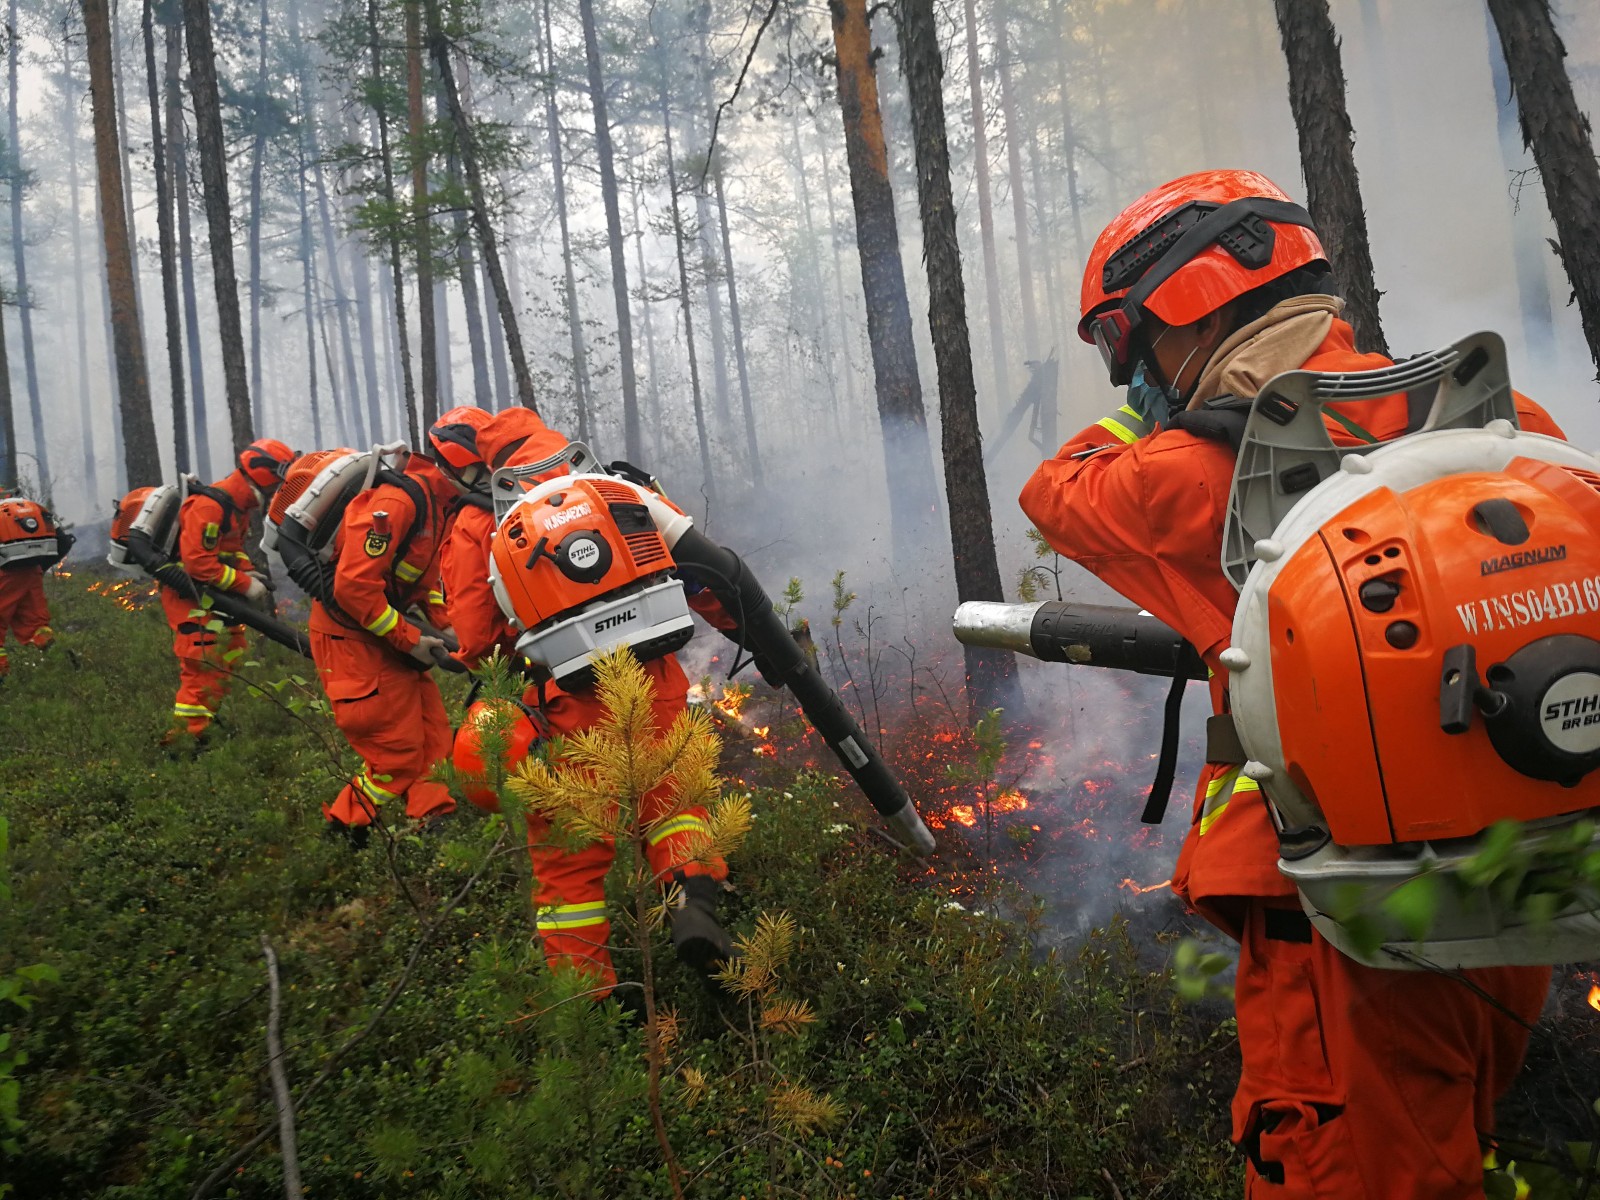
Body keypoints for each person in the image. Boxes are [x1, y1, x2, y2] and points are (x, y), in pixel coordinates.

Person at [1019, 169, 1560, 1199]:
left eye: (1133, 349)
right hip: (1511, 886)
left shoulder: (1180, 477)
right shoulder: (1501, 418)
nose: (1137, 376)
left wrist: (1157, 420)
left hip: (1339, 923)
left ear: (1185, 316)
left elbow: (1055, 489)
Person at [452, 408, 733, 996]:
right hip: (651, 681)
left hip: (560, 704)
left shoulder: (478, 522)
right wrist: (742, 627)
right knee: (674, 803)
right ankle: (693, 906)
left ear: (487, 462)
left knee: (568, 861)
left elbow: (477, 640)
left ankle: (590, 1003)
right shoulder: (612, 482)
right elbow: (697, 567)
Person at [311, 446, 459, 840]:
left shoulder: (443, 504)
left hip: (385, 634)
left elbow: (421, 582)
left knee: (433, 737)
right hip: (353, 639)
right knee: (396, 754)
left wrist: (448, 628)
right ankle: (344, 826)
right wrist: (409, 640)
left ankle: (431, 818)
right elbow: (353, 588)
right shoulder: (399, 502)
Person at [159, 439, 295, 743]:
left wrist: (247, 571)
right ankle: (186, 741)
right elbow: (198, 563)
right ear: (264, 476)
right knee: (203, 663)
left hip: (210, 596)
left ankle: (208, 722)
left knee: (230, 653)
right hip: (189, 598)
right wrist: (244, 584)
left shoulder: (236, 507)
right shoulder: (211, 506)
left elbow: (231, 550)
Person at [0, 490, 66, 681]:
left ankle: (5, 686)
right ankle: (65, 670)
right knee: (36, 627)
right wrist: (38, 569)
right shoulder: (30, 509)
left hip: (3, 577)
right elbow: (63, 541)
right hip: (31, 575)